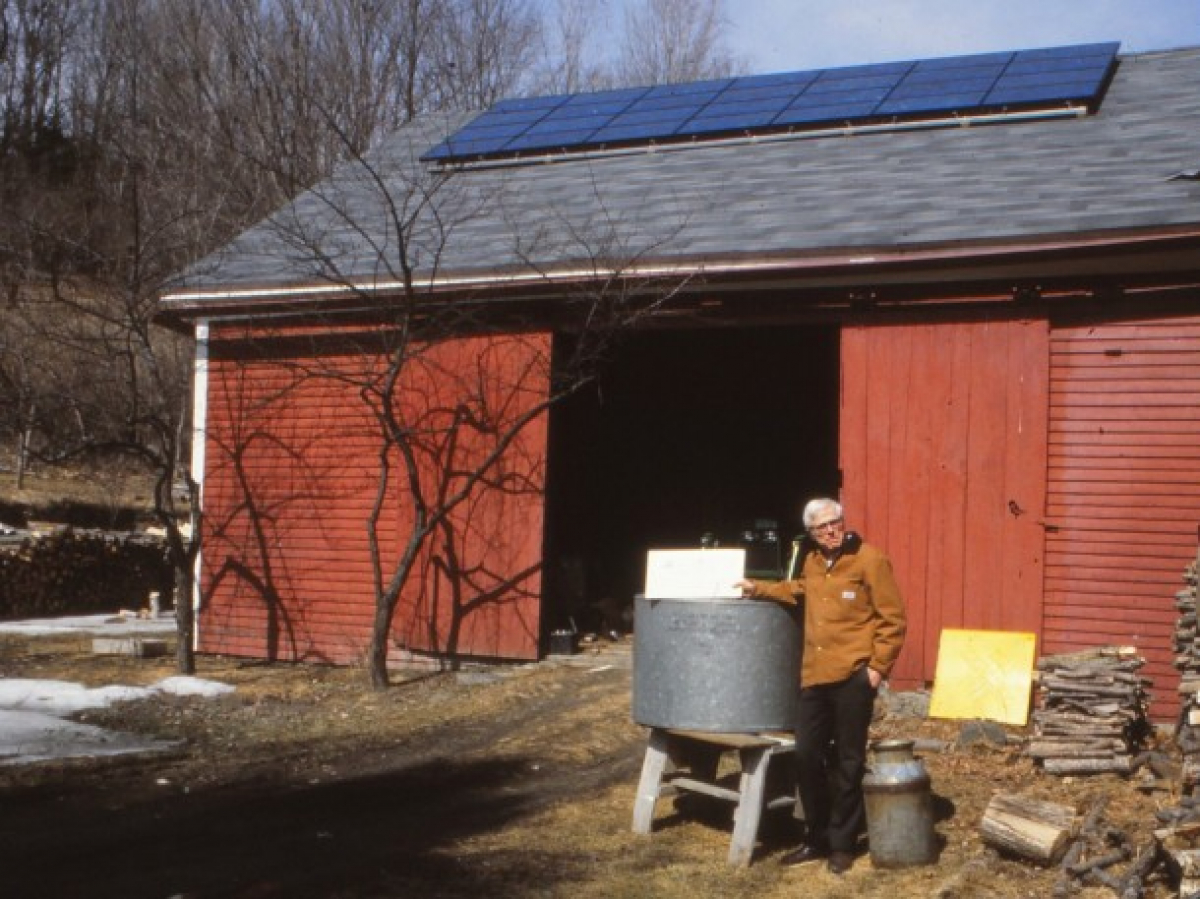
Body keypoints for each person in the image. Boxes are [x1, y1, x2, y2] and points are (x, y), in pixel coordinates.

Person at [736, 497, 906, 875]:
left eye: (835, 522)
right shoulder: (812, 561)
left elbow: (893, 619)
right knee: (806, 757)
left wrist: (876, 669)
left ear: (843, 521)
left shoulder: (870, 560)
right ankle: (815, 837)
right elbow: (799, 590)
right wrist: (758, 588)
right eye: (821, 527)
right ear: (811, 533)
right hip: (815, 677)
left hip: (853, 678)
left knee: (849, 761)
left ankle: (842, 845)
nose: (831, 531)